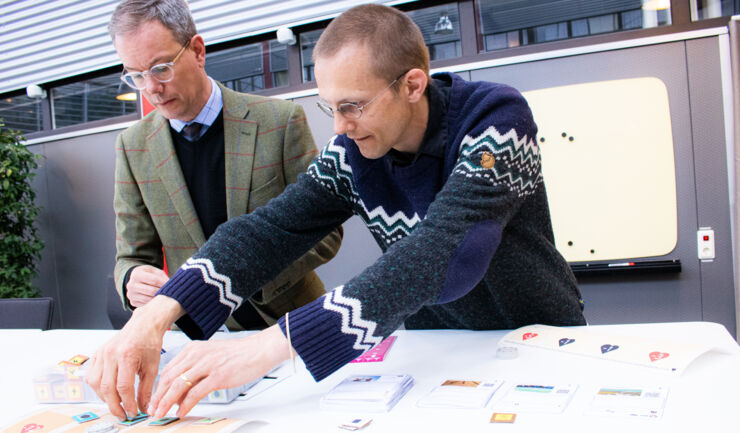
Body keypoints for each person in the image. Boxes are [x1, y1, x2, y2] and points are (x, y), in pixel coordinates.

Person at [87, 3, 586, 420]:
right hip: (442, 347)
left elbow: (447, 252)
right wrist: (153, 318)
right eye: (331, 108)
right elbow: (271, 228)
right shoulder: (352, 152)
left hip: (540, 337)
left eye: (354, 106)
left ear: (412, 84)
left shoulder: (495, 118)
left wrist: (269, 345)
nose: (340, 128)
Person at [109, 0, 342, 331]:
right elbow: (131, 256)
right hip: (196, 336)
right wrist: (131, 279)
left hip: (289, 325)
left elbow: (326, 231)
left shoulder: (279, 121)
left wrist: (241, 278)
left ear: (198, 51)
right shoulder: (132, 147)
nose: (151, 89)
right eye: (136, 75)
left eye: (161, 68)